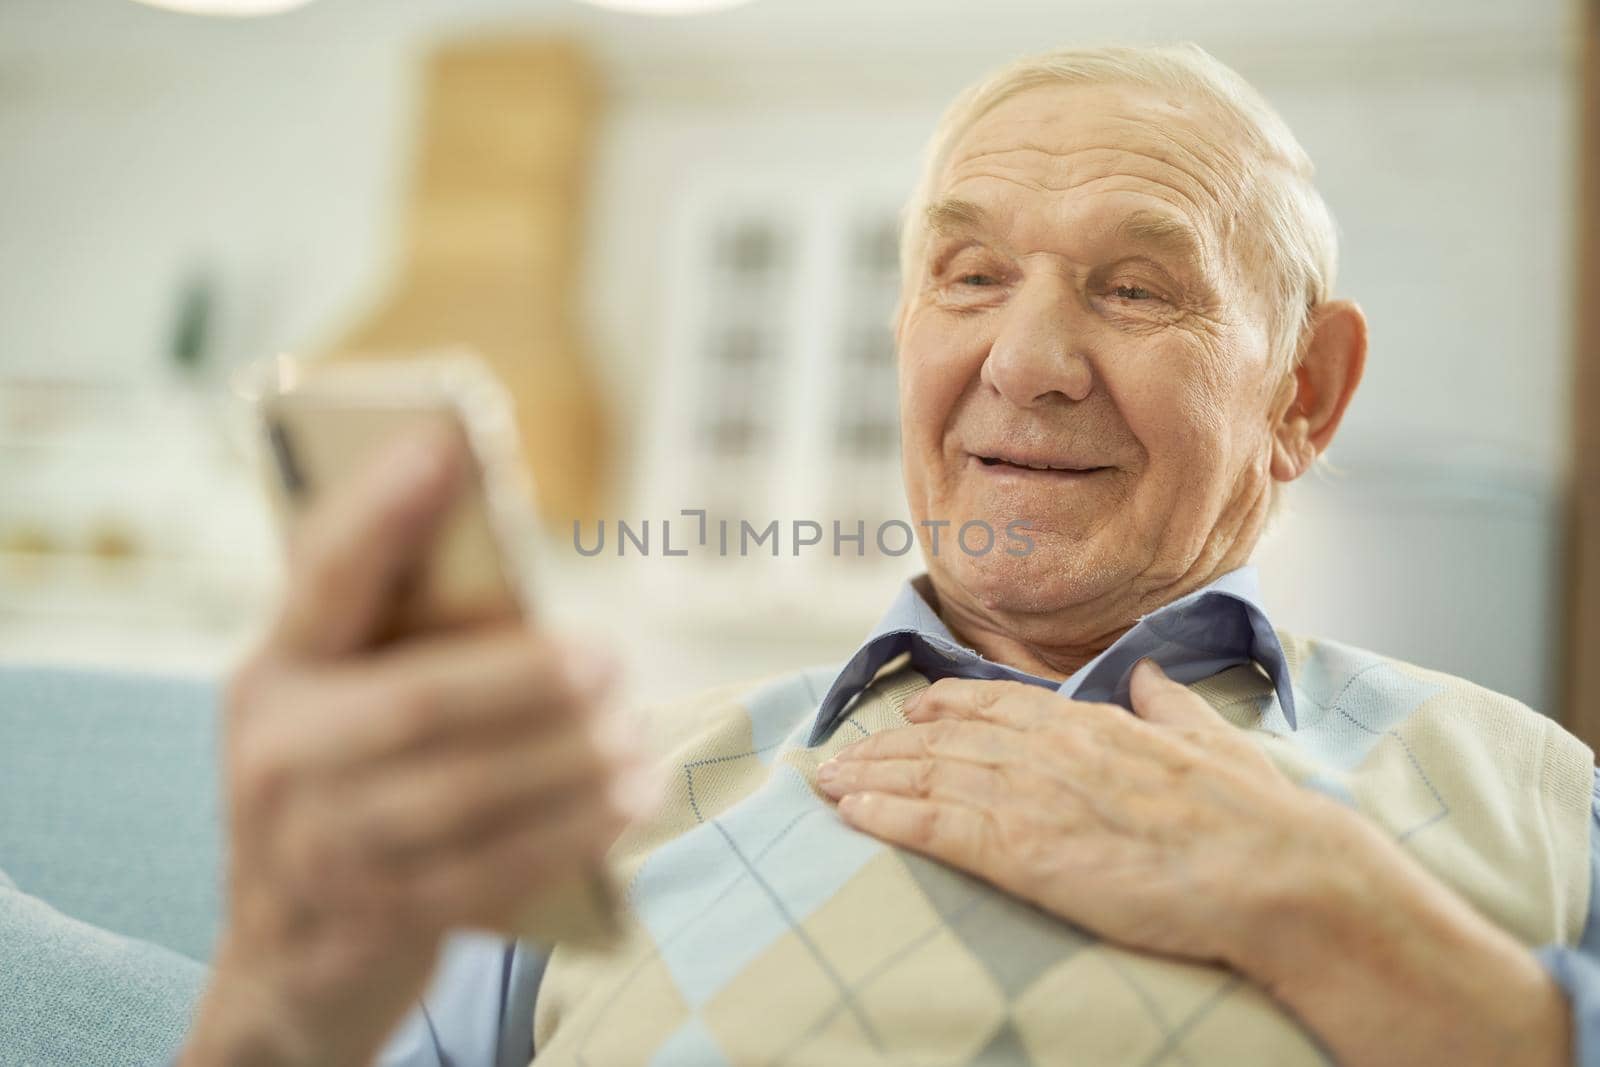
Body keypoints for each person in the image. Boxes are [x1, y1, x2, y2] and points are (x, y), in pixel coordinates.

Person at [177, 43, 1600, 1066]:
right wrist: (280, 994)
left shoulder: (1536, 793)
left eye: (1135, 286)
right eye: (970, 276)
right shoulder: (591, 799)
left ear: (1303, 395)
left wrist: (1344, 930)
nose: (1027, 360)